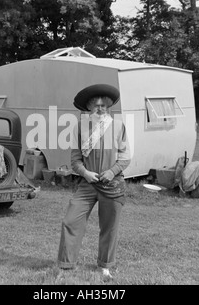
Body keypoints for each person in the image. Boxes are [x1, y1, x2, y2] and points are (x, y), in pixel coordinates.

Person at [57, 84, 131, 279]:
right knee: (70, 220)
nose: (100, 109)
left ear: (108, 107)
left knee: (109, 226)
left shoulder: (118, 126)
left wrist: (112, 171)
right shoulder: (79, 127)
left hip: (111, 183)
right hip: (87, 184)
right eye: (96, 105)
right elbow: (75, 159)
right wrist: (85, 173)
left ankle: (105, 266)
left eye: (104, 106)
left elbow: (125, 157)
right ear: (89, 107)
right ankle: (66, 265)